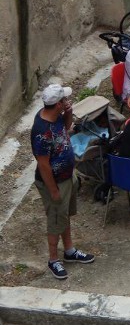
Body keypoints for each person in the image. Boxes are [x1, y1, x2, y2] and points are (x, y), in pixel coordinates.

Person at [31, 84, 94, 280]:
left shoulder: (56, 116)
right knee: (55, 219)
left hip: (67, 177)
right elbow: (43, 165)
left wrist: (69, 113)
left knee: (64, 215)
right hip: (55, 183)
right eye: (65, 100)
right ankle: (53, 260)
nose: (68, 101)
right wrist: (54, 191)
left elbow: (66, 128)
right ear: (57, 104)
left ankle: (69, 251)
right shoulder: (41, 131)